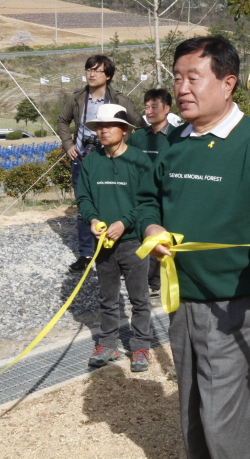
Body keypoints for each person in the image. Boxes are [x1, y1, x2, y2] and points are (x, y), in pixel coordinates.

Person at [137, 36, 250, 459]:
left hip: (233, 300)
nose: (181, 89)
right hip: (182, 295)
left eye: (193, 78)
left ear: (228, 83)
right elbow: (146, 198)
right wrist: (152, 226)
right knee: (193, 405)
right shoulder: (173, 143)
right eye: (177, 78)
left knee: (223, 412)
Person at [77, 103, 153, 372]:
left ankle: (141, 346)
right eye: (99, 126)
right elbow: (84, 198)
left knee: (139, 298)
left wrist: (124, 222)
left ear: (124, 130)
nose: (103, 130)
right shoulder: (91, 161)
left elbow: (147, 201)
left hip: (133, 241)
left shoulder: (140, 161)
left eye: (109, 126)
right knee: (107, 297)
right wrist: (93, 219)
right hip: (104, 245)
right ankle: (108, 343)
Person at [57, 54, 144, 272]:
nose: (92, 74)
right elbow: (62, 120)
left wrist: (124, 148)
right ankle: (86, 254)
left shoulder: (119, 100)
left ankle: (119, 252)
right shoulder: (78, 98)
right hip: (83, 159)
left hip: (110, 160)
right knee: (84, 207)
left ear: (109, 76)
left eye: (97, 70)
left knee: (116, 203)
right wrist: (68, 144)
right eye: (89, 69)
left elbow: (139, 125)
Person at [127, 87, 175, 297]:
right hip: (141, 196)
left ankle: (157, 281)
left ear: (167, 108)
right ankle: (143, 279)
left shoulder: (178, 136)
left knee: (162, 236)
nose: (149, 110)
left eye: (154, 106)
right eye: (146, 106)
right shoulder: (138, 138)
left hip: (167, 196)